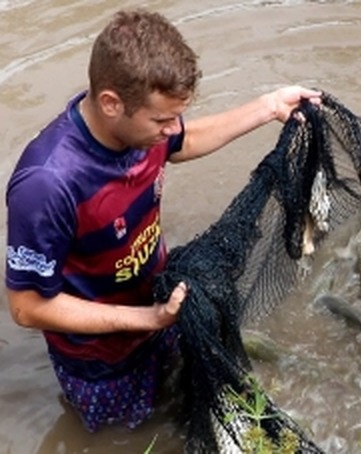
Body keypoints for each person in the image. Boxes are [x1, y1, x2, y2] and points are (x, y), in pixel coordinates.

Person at [4, 8, 321, 432]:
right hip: (101, 362)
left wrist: (267, 107)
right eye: (161, 120)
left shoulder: (143, 129)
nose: (172, 129)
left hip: (158, 303)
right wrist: (145, 319)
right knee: (128, 434)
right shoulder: (47, 184)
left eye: (176, 116)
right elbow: (26, 307)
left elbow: (182, 141)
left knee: (184, 392)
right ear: (111, 103)